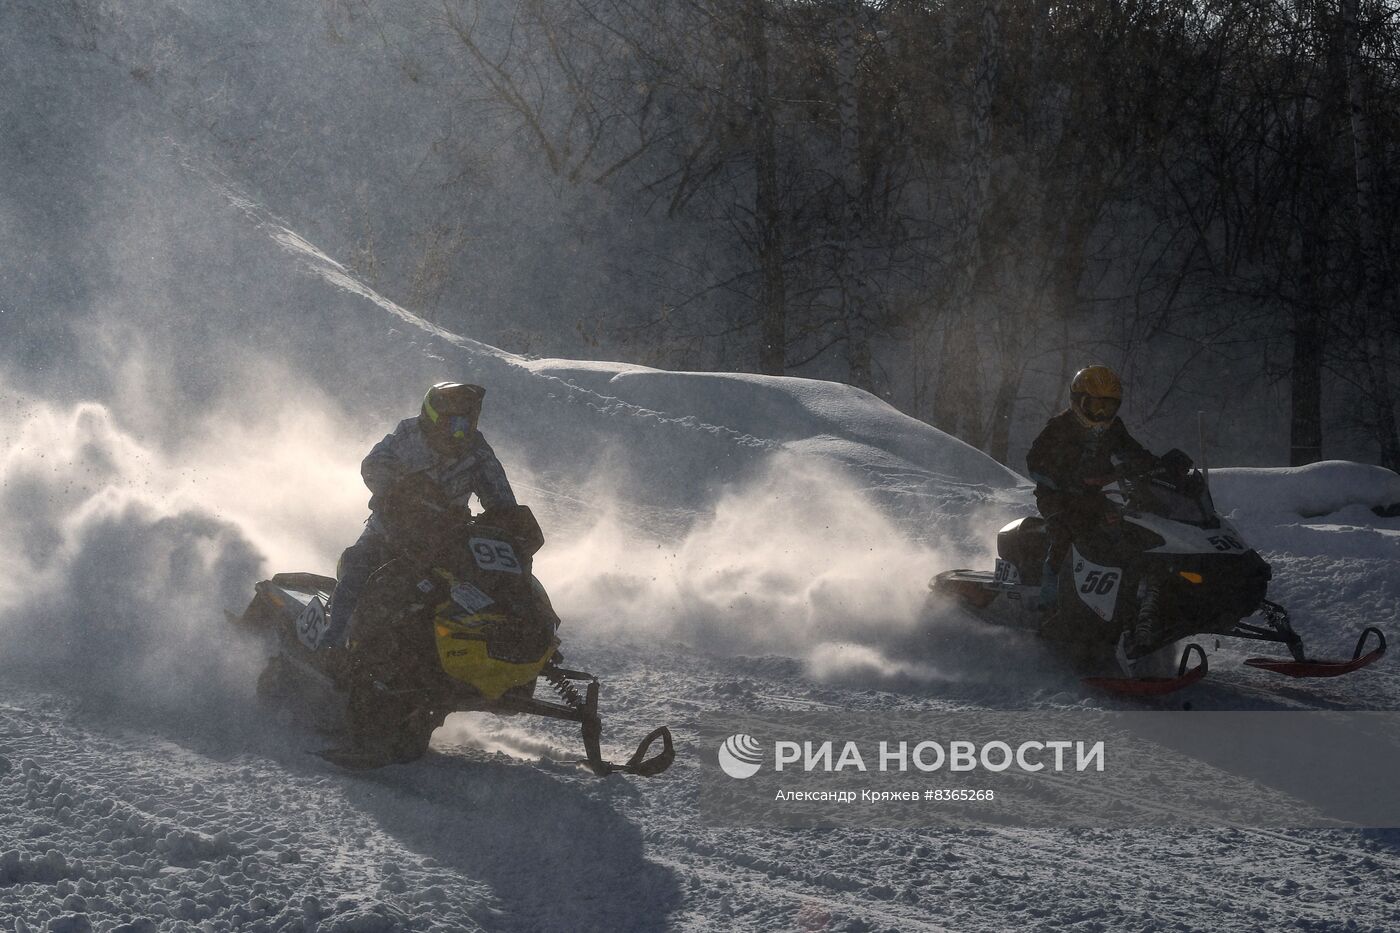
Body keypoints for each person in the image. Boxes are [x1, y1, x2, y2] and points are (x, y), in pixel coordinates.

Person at [322, 382, 518, 649]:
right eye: (453, 423)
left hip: (448, 541)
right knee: (358, 569)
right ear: (433, 418)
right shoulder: (408, 434)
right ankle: (332, 645)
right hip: (391, 532)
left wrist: (510, 521)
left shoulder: (478, 451)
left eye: (465, 423)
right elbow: (374, 463)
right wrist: (398, 490)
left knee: (484, 594)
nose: (458, 432)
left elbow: (500, 496)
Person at [1026, 365, 1162, 619]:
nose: (1101, 413)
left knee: (1128, 530)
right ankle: (1049, 602)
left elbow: (1133, 453)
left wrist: (1161, 466)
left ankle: (1124, 596)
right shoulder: (1060, 426)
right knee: (1065, 533)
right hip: (1058, 497)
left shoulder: (1114, 428)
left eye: (1108, 407)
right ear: (1079, 401)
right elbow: (1034, 462)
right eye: (1096, 405)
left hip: (1092, 496)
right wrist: (1065, 481)